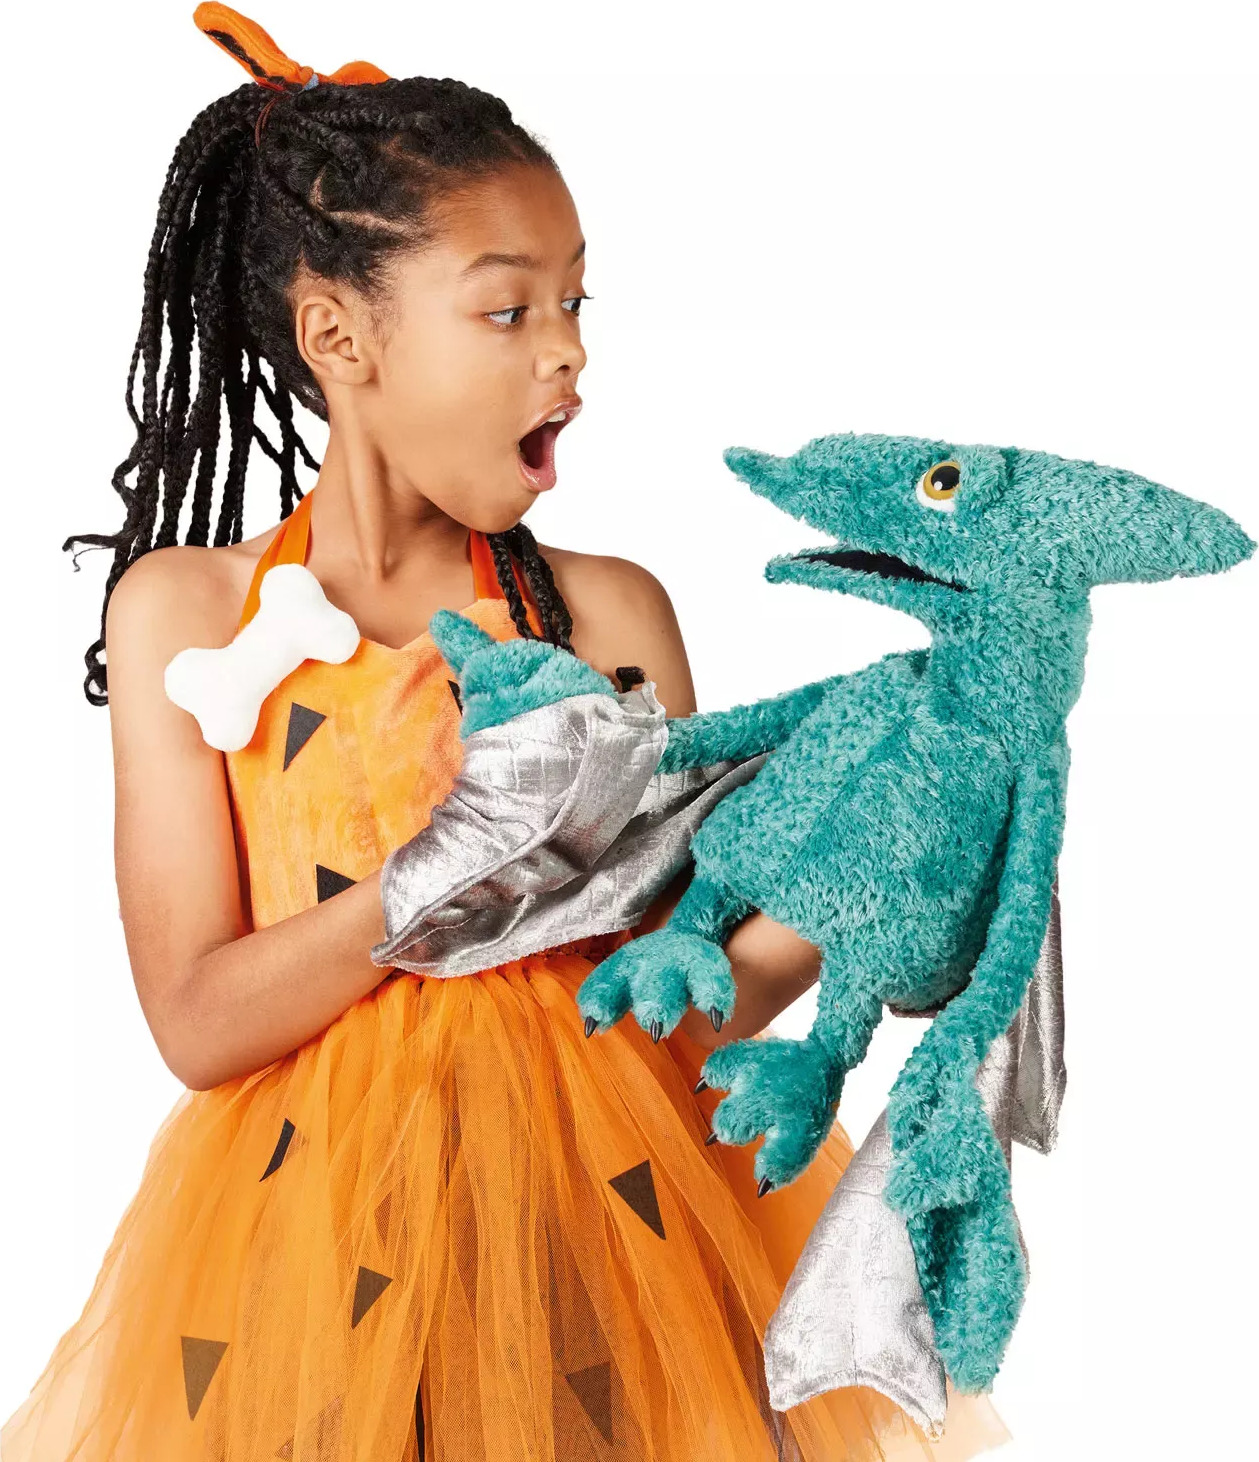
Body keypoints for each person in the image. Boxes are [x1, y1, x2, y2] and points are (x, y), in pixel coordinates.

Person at [1, 7, 1012, 1458]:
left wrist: (876, 898)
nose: (569, 355)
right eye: (508, 310)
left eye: (577, 304)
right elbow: (197, 1019)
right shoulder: (192, 614)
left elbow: (685, 1003)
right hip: (305, 1258)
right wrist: (448, 871)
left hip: (597, 1250)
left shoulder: (604, 615)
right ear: (339, 336)